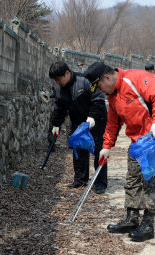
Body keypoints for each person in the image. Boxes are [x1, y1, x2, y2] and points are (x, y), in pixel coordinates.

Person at [84, 62, 155, 242]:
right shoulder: (112, 96)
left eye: (100, 86)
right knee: (133, 179)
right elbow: (113, 122)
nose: (100, 90)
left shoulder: (136, 78)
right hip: (137, 141)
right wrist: (106, 146)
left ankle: (148, 224)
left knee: (151, 180)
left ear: (107, 77)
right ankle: (131, 219)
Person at [49, 61, 108, 194]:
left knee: (99, 150)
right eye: (55, 80)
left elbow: (98, 99)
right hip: (78, 122)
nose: (57, 82)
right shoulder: (59, 89)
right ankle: (80, 179)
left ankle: (100, 183)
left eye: (59, 79)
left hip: (96, 121)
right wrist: (56, 124)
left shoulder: (85, 82)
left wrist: (93, 116)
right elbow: (59, 108)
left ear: (67, 73)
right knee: (79, 149)